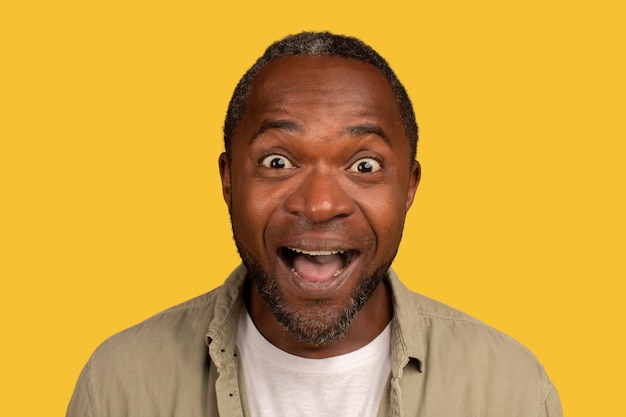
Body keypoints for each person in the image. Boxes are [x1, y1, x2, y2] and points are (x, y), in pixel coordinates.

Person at [67, 31, 562, 417]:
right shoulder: (118, 385)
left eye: (364, 165)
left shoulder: (510, 389)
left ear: (409, 187)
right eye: (278, 162)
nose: (321, 204)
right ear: (228, 180)